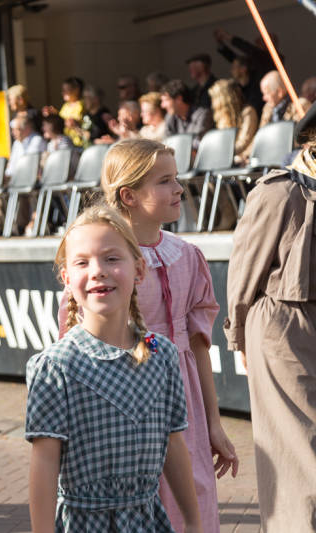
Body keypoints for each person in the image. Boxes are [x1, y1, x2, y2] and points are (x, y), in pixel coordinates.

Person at [27, 205, 202, 532]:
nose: (97, 271)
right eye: (82, 262)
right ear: (67, 278)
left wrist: (193, 520)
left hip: (148, 522)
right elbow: (44, 463)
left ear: (138, 270)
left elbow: (174, 442)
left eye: (111, 258)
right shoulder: (55, 366)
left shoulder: (160, 352)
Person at [96, 139, 238, 532]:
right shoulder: (103, 259)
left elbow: (197, 346)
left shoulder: (187, 255)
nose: (179, 189)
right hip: (127, 402)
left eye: (176, 179)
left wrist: (213, 422)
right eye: (165, 181)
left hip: (185, 400)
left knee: (194, 496)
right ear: (129, 194)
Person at [224, 105, 316, 532]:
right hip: (283, 331)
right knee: (299, 450)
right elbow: (246, 272)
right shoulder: (281, 191)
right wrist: (237, 335)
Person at [209, 79, 258, 165]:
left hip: (243, 158)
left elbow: (244, 142)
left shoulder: (248, 112)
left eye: (215, 99)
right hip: (226, 159)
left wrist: (223, 153)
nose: (213, 104)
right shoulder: (221, 118)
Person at [161, 79, 214, 150]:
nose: (162, 105)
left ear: (179, 99)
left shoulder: (202, 114)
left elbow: (198, 143)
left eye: (166, 100)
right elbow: (166, 143)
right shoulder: (170, 117)